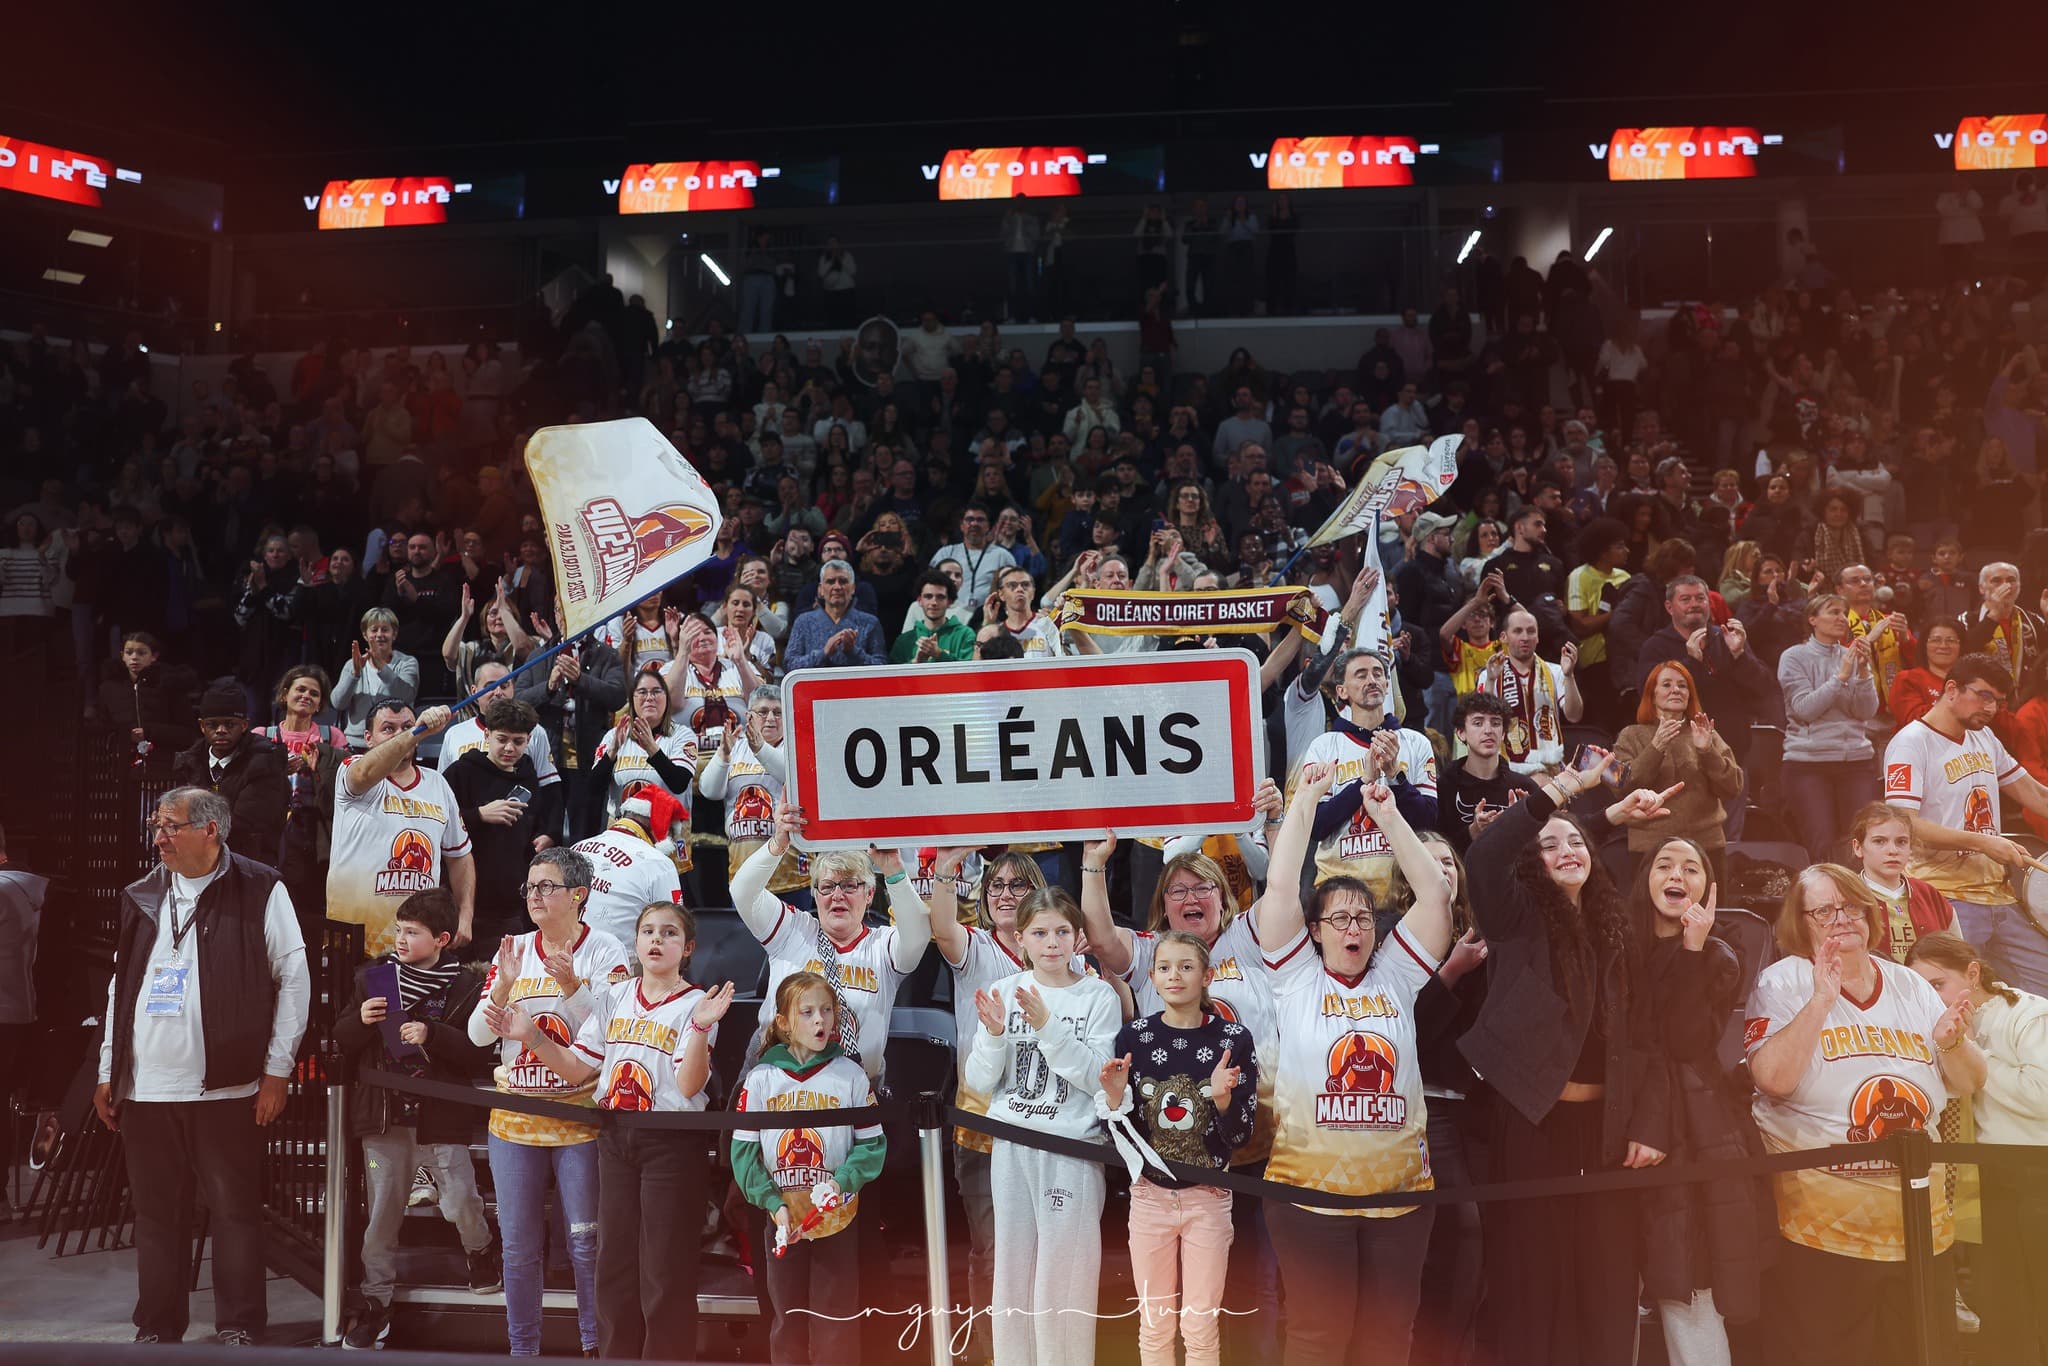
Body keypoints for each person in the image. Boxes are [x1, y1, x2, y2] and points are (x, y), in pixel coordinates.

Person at [1461, 754, 1676, 1366]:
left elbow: (1647, 1039)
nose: (1566, 852)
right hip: (1532, 1129)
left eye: (1577, 843)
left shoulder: (1614, 931)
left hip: (1606, 1134)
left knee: (1607, 1288)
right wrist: (1564, 790)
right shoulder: (1516, 917)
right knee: (1533, 1289)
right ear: (1533, 862)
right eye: (1549, 846)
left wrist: (1649, 1123)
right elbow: (1485, 859)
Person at [1241, 761, 1452, 1364]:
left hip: (1401, 1198)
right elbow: (1281, 888)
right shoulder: (1294, 976)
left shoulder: (1397, 974)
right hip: (1308, 1198)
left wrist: (1388, 815)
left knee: (1389, 1339)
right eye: (1339, 917)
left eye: (1363, 916)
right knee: (1319, 1337)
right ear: (1315, 930)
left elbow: (1435, 894)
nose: (1353, 926)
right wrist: (1305, 802)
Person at [94, 788, 311, 1346]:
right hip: (145, 1086)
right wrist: (108, 1070)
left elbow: (293, 978)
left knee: (234, 1212)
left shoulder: (260, 887)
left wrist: (278, 1070)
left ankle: (239, 1325)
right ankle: (156, 1327)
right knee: (155, 1216)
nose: (158, 837)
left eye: (170, 826)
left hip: (226, 1086)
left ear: (210, 830)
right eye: (156, 825)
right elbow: (120, 987)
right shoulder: (141, 893)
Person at [1747, 866, 1984, 1366]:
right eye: (1824, 910)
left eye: (1851, 905)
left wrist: (1952, 1043)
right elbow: (1772, 1079)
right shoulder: (1783, 980)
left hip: (1919, 1223)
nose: (1841, 918)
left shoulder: (1911, 985)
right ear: (1801, 921)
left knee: (1917, 1354)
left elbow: (1970, 1082)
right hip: (1821, 1226)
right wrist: (1821, 1001)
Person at [485, 901, 732, 1360]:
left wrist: (700, 1029)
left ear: (688, 948)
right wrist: (532, 1037)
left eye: (669, 933)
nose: (656, 940)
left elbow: (688, 1085)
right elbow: (578, 1067)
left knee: (664, 1269)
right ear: (635, 942)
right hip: (615, 1138)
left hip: (671, 1142)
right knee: (613, 1265)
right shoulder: (615, 997)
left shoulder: (697, 1005)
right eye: (648, 931)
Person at [467, 848, 633, 1359]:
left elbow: (612, 1032)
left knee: (585, 1243)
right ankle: (523, 1351)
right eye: (530, 887)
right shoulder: (513, 948)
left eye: (547, 886)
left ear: (578, 895)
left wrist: (571, 987)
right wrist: (501, 989)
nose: (534, 896)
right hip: (515, 1118)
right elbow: (477, 1036)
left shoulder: (605, 949)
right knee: (518, 1247)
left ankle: (594, 1347)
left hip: (579, 1117)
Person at [334, 889, 498, 1349]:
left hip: (441, 1115)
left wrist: (433, 1034)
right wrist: (361, 1019)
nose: (401, 939)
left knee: (461, 1200)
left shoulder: (466, 985)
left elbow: (476, 1053)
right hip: (384, 1118)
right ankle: (376, 1302)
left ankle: (481, 1250)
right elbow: (342, 1037)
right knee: (381, 1216)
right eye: (399, 930)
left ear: (442, 939)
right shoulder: (373, 977)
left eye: (412, 932)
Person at [1633, 837, 1774, 1366]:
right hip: (1614, 1120)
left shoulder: (1718, 956)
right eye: (1665, 864)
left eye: (1691, 868)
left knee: (1689, 1281)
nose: (1677, 874)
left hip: (1693, 1128)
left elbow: (1685, 1042)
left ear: (1709, 888)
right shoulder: (1616, 947)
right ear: (1645, 878)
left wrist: (1692, 948)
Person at [965, 888, 1121, 1366]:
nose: (1051, 943)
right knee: (1011, 1270)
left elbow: (1098, 1076)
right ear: (1020, 938)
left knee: (1064, 1275)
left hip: (1071, 1150)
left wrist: (1049, 1026)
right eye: (1039, 933)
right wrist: (996, 1035)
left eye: (1061, 932)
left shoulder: (1098, 995)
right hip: (1012, 1146)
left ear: (1077, 937)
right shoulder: (1003, 990)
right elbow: (978, 1081)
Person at [1097, 932, 1259, 1366]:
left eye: (1187, 967)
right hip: (1150, 1197)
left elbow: (1242, 1135)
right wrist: (1114, 1098)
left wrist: (1222, 1099)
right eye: (1165, 967)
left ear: (1207, 976)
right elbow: (1120, 1137)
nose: (1175, 976)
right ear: (1151, 976)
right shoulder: (1134, 1037)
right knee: (1154, 1323)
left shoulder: (1234, 1039)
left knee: (1201, 1326)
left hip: (1209, 1197)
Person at [1907, 931, 2048, 1363]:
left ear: (1972, 973)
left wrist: (1968, 1056)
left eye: (1937, 984)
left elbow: (2043, 1094)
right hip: (1978, 1177)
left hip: (2034, 1172)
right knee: (2000, 1306)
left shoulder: (2029, 1013)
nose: (1930, 997)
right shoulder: (1929, 1029)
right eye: (1920, 987)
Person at [733, 972, 887, 1366]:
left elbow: (872, 1146)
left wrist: (842, 1183)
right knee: (787, 1318)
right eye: (807, 1012)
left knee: (836, 1318)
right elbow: (744, 1154)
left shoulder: (850, 1075)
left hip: (837, 1219)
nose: (820, 1020)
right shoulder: (762, 1078)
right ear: (783, 1022)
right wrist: (772, 1203)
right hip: (782, 1218)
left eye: (826, 1010)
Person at [729, 800, 934, 1079]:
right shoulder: (792, 929)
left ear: (870, 894)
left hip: (853, 1088)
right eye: (827, 887)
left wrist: (894, 870)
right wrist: (777, 844)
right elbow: (742, 892)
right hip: (773, 1080)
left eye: (849, 886)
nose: (837, 896)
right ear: (815, 894)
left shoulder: (882, 946)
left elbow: (919, 935)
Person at [1884, 654, 2048, 996]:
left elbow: (2034, 793)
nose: (1991, 709)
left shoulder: (1984, 737)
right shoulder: (1910, 743)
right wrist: (1984, 842)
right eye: (1984, 696)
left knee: (2040, 989)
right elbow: (1903, 826)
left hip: (1997, 894)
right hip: (1943, 896)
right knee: (1954, 1000)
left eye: (1998, 701)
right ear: (1951, 689)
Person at [327, 700, 475, 959]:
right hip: (357, 938)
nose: (401, 734)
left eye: (407, 727)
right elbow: (364, 773)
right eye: (388, 728)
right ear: (368, 738)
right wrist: (416, 731)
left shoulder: (437, 784)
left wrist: (465, 914)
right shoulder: (351, 768)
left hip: (422, 940)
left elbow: (460, 856)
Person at [1296, 648, 1440, 902]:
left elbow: (1426, 821)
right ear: (1342, 691)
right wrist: (1363, 782)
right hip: (1338, 890)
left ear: (1387, 684)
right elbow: (1315, 826)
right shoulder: (1324, 746)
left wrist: (1394, 775)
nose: (1371, 680)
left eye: (1377, 674)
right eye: (1361, 675)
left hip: (1404, 888)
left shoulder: (1416, 742)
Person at [443, 698, 562, 960]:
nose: (509, 748)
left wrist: (543, 836)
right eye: (502, 739)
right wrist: (478, 815)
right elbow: (437, 824)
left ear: (529, 740)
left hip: (511, 905)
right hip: (466, 904)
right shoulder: (460, 772)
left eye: (518, 741)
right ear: (487, 735)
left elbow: (537, 819)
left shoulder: (529, 774)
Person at [1610, 662, 1743, 887]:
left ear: (1689, 695)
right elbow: (1619, 787)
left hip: (1706, 847)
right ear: (1652, 695)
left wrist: (1707, 751)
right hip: (1650, 848)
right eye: (1667, 684)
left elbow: (1733, 787)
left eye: (1682, 685)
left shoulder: (1705, 733)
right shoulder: (1631, 735)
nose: (1676, 690)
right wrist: (1655, 748)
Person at [1777, 594, 1883, 863]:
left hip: (1856, 761)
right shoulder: (1794, 656)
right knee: (1821, 845)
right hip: (1809, 763)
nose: (1841, 618)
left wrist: (1863, 672)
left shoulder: (1851, 655)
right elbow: (1805, 709)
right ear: (1812, 619)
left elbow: (1866, 712)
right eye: (1833, 612)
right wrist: (1841, 676)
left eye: (1844, 613)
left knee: (1861, 843)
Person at [171, 678, 289, 865]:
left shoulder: (265, 760)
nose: (221, 730)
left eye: (230, 724)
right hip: (198, 858)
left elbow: (248, 823)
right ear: (202, 726)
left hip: (249, 861)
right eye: (213, 725)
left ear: (244, 725)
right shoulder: (188, 762)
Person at [568, 784, 686, 952]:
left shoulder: (576, 848)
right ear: (662, 827)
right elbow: (672, 928)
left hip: (561, 956)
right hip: (617, 962)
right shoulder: (659, 863)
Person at [1477, 607, 1583, 775]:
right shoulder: (1489, 674)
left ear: (1538, 637)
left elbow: (1574, 716)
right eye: (1518, 631)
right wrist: (1490, 680)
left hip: (1550, 767)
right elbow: (1482, 722)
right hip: (1507, 768)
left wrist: (1569, 676)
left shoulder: (1556, 671)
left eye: (1531, 631)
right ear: (1503, 637)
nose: (1525, 637)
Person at [594, 663, 701, 827]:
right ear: (632, 699)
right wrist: (612, 752)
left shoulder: (682, 735)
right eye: (642, 692)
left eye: (656, 691)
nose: (650, 697)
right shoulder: (613, 736)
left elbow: (679, 784)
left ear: (666, 698)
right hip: (622, 829)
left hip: (668, 831)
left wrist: (652, 748)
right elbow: (593, 790)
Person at [1850, 802, 1958, 964]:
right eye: (1879, 841)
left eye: (1901, 842)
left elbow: (1958, 957)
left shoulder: (1930, 895)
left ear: (1910, 848)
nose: (1892, 851)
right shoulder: (1846, 896)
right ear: (1858, 847)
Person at [1437, 691, 1540, 853]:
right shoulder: (1443, 787)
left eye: (1496, 723)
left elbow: (1541, 847)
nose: (1488, 730)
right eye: (1478, 723)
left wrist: (1526, 822)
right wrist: (1473, 832)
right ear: (1461, 733)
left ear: (1503, 733)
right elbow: (1434, 849)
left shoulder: (1525, 786)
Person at [331, 607, 420, 750]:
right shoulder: (352, 664)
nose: (379, 635)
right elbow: (338, 703)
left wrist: (382, 667)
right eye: (374, 630)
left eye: (385, 630)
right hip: (357, 743)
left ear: (394, 634)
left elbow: (406, 696)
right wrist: (355, 674)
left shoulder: (407, 663)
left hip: (396, 743)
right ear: (365, 635)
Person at [783, 560, 887, 671]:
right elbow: (789, 665)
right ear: (820, 589)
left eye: (843, 581)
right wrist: (823, 653)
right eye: (830, 582)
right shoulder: (803, 622)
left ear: (853, 588)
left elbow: (882, 667)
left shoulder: (870, 623)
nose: (837, 587)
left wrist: (853, 652)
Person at [1887, 620, 1965, 730]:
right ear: (1924, 646)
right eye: (1935, 640)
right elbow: (1916, 723)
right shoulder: (1907, 679)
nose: (1943, 646)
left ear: (1961, 646)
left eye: (1951, 640)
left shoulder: (1972, 682)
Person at [976, 564, 1062, 658]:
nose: (1020, 589)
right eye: (1012, 585)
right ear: (1001, 594)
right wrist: (987, 624)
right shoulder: (995, 633)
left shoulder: (1048, 626)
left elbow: (1065, 661)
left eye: (1025, 585)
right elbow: (977, 665)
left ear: (1033, 593)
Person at [892, 570, 976, 663]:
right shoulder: (903, 641)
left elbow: (971, 669)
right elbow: (893, 672)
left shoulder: (965, 635)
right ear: (919, 600)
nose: (934, 602)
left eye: (940, 597)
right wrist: (916, 661)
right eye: (928, 596)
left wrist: (939, 654)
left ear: (950, 602)